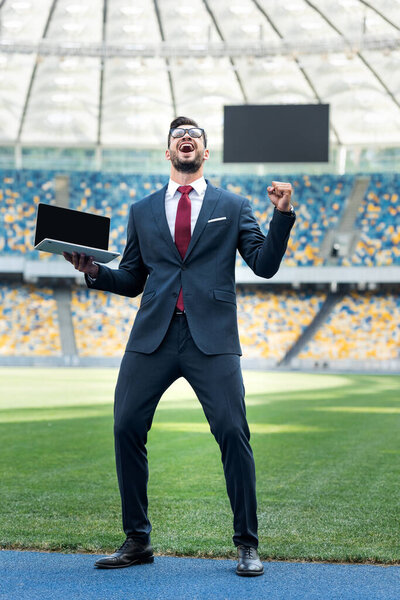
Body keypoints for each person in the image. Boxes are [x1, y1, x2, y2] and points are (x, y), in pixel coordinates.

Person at [63, 116, 296, 577]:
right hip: (154, 335)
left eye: (194, 137)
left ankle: (247, 544)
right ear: (168, 153)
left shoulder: (234, 205)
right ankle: (137, 540)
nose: (185, 140)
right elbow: (131, 278)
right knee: (126, 426)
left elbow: (264, 265)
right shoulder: (143, 210)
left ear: (205, 153)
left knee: (233, 433)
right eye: (177, 137)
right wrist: (93, 272)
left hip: (212, 339)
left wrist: (282, 216)